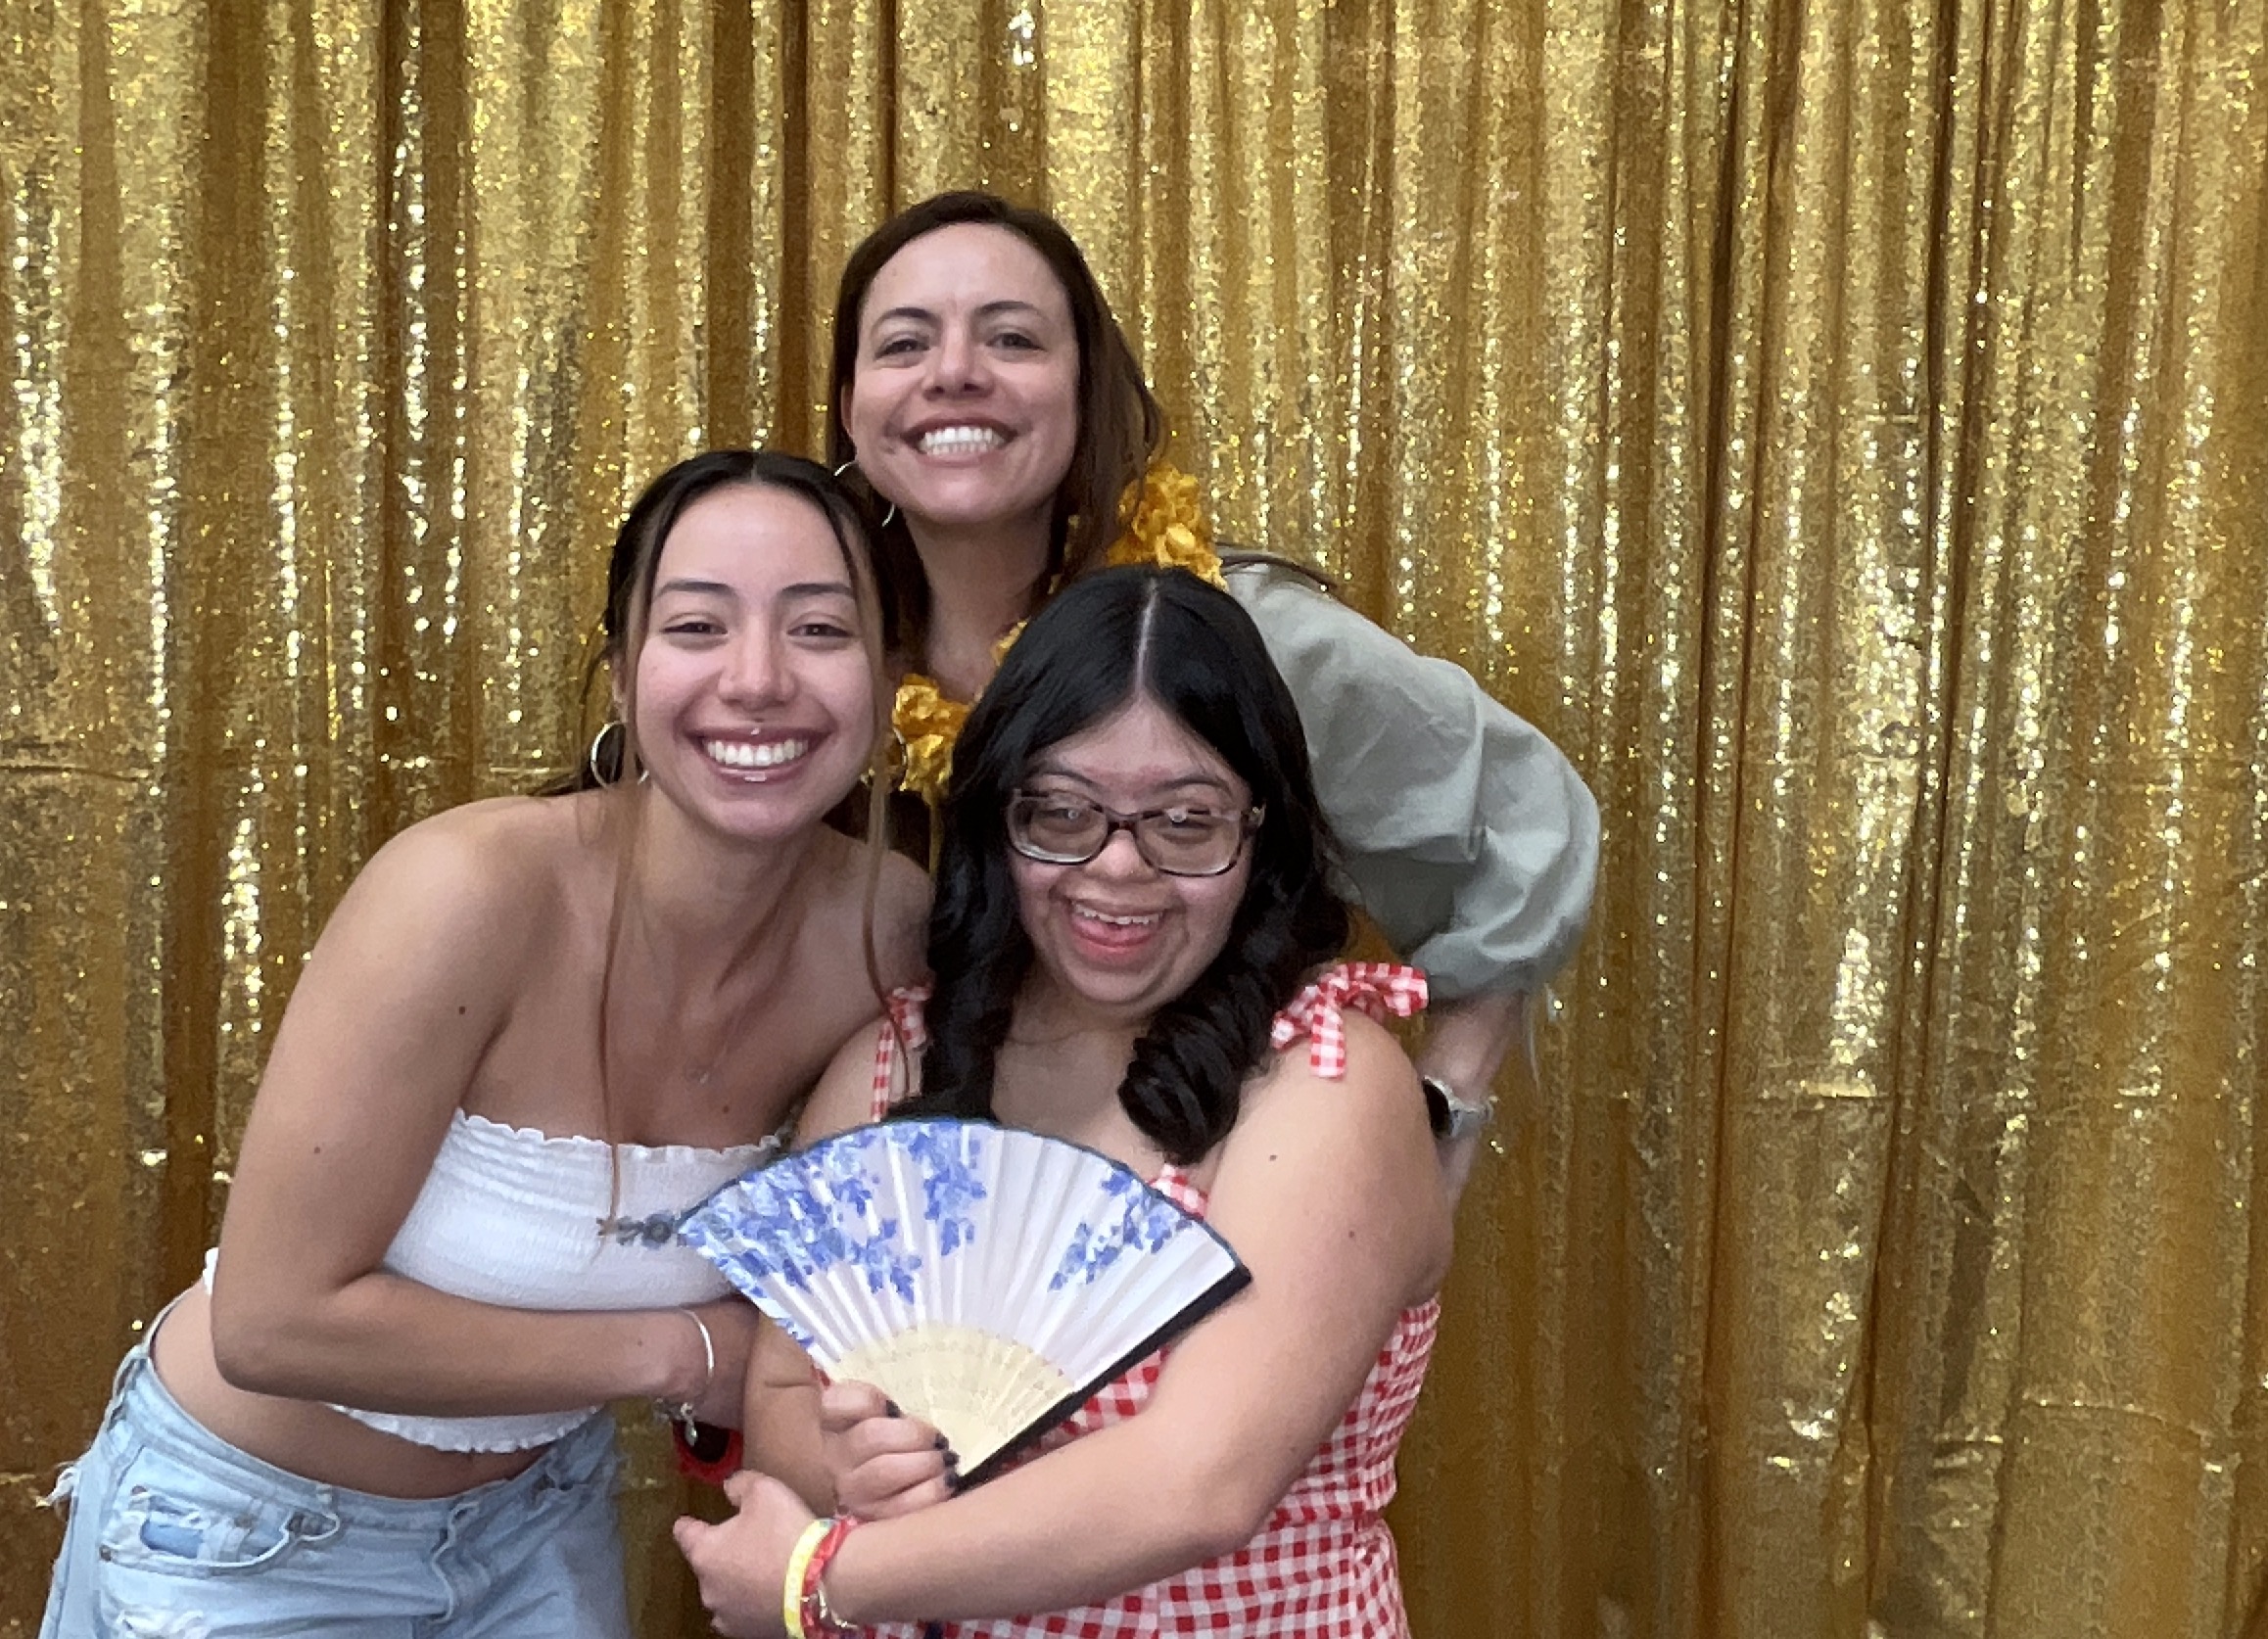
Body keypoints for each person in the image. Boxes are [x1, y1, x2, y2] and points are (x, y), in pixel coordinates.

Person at [38, 450, 930, 1637]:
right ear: (623, 674)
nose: (759, 680)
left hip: (539, 1524)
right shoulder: (467, 891)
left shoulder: (887, 929)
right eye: (696, 627)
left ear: (889, 676)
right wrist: (684, 1354)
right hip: (246, 1532)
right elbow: (270, 1323)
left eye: (819, 628)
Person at [675, 564, 1456, 1636]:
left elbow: (1200, 1484)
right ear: (998, 818)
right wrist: (850, 1461)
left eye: (1186, 821)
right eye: (1061, 812)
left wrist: (817, 1583)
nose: (1118, 869)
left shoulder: (1326, 1081)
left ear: (1260, 835)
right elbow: (778, 1403)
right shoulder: (894, 1065)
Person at [824, 189, 1599, 1198]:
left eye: (1012, 339)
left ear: (1088, 388)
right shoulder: (813, 658)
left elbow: (1530, 816)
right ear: (851, 406)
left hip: (1215, 1200)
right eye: (904, 344)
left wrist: (1444, 1104)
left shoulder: (1232, 634)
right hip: (903, 1200)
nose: (955, 373)